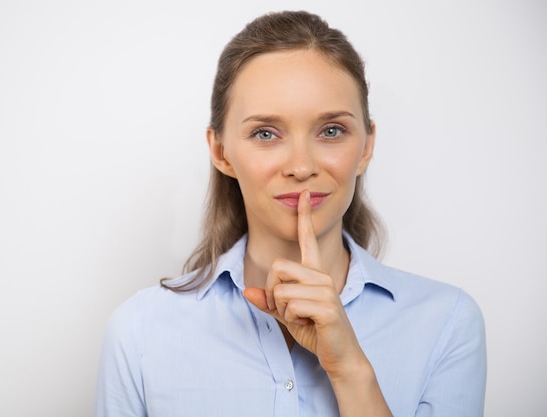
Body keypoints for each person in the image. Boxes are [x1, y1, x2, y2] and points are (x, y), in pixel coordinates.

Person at [94, 10, 486, 417]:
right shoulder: (138, 333)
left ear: (366, 146)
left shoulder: (447, 323)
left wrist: (351, 370)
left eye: (331, 130)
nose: (301, 166)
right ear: (220, 152)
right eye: (266, 133)